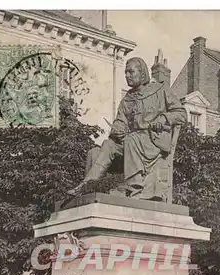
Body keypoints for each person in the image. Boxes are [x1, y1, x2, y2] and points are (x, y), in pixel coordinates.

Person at [68, 57, 187, 202]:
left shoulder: (160, 91)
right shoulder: (127, 99)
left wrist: (163, 119)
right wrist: (117, 129)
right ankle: (87, 186)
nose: (127, 76)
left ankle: (134, 188)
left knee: (132, 138)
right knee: (107, 145)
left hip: (153, 141)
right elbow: (120, 121)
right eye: (125, 72)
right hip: (132, 143)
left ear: (142, 73)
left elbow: (181, 114)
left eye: (131, 72)